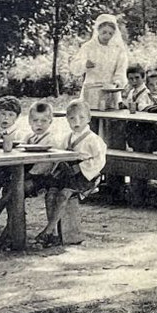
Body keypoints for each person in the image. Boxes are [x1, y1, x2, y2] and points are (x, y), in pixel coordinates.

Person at [35, 100, 105, 248]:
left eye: (81, 118)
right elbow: (60, 154)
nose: (76, 122)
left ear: (88, 118)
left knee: (64, 194)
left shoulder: (93, 139)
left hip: (84, 176)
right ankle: (54, 233)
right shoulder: (67, 137)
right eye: (72, 118)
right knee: (51, 194)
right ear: (67, 120)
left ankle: (48, 230)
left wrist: (80, 168)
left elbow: (99, 161)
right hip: (67, 174)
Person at [78, 13, 129, 111]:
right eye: (104, 32)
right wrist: (84, 64)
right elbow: (75, 66)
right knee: (93, 119)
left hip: (111, 90)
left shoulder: (118, 49)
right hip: (92, 90)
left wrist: (118, 81)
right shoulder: (88, 47)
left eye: (110, 33)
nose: (107, 36)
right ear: (98, 30)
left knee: (111, 119)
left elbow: (121, 68)